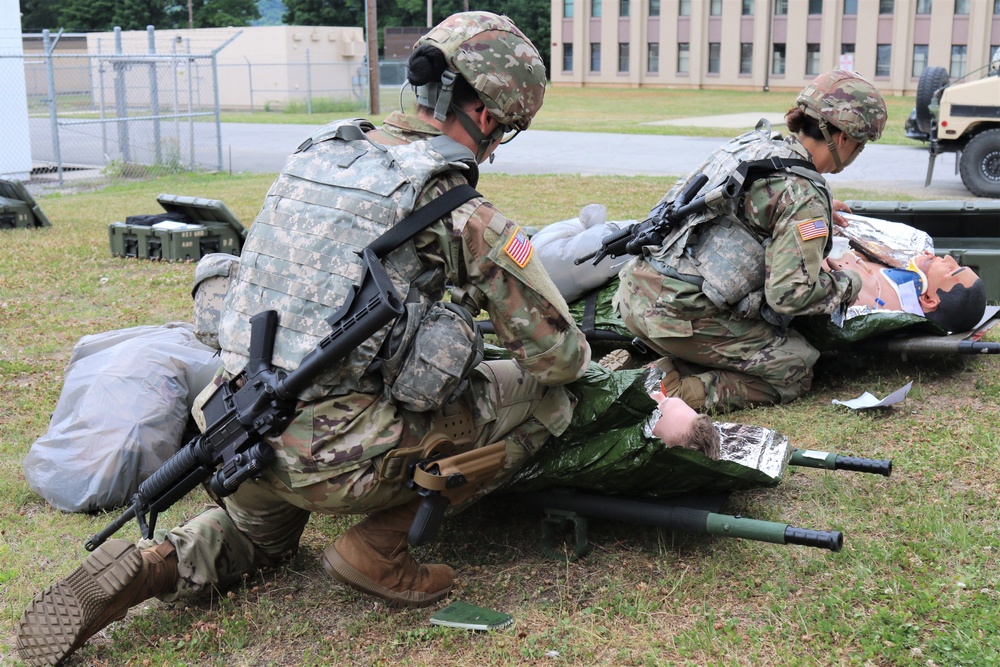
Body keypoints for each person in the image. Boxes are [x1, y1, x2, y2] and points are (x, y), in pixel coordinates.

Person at [16, 12, 590, 666]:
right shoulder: (458, 205)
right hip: (338, 459)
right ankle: (378, 547)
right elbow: (559, 354)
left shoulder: (322, 152)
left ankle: (152, 565)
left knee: (256, 542)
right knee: (549, 399)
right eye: (506, 131)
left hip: (241, 429)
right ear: (488, 118)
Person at [614, 70, 888, 413]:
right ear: (845, 138)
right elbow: (789, 295)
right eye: (860, 146)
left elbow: (742, 207)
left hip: (633, 295)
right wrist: (849, 283)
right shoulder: (803, 195)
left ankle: (661, 369)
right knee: (795, 366)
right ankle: (663, 394)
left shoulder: (756, 147)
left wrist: (812, 216)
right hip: (675, 315)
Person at [824, 248, 986, 332]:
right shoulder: (897, 275)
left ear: (929, 300)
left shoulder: (867, 299)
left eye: (950, 270)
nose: (949, 258)